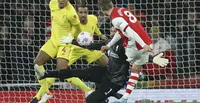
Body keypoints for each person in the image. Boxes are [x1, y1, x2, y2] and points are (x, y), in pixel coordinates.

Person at [37, 27, 169, 103]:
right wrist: (71, 41)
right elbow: (92, 46)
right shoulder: (111, 42)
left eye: (114, 28)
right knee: (79, 72)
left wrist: (153, 59)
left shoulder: (126, 46)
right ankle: (46, 74)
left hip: (114, 82)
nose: (111, 29)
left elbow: (140, 54)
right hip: (106, 73)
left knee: (90, 100)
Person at [99, 0, 169, 102]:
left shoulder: (115, 19)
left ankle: (136, 68)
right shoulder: (122, 10)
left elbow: (129, 31)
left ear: (102, 10)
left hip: (136, 43)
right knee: (135, 69)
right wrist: (109, 45)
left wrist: (143, 45)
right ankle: (125, 97)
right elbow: (121, 31)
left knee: (118, 57)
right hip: (145, 38)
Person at [31, 0, 92, 102]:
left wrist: (71, 36)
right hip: (53, 41)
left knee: (62, 71)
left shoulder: (71, 13)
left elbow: (78, 29)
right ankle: (46, 93)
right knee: (37, 62)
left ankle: (87, 89)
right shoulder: (52, 4)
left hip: (65, 43)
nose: (60, 0)